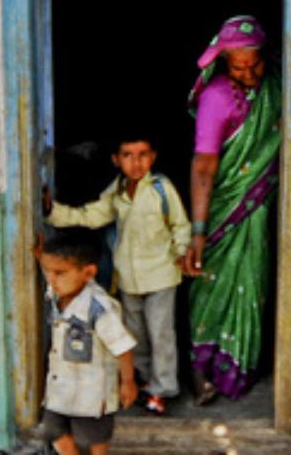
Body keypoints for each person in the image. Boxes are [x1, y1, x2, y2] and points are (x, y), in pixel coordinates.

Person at [45, 136, 191, 415]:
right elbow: (91, 216)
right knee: (136, 333)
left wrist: (181, 252)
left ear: (153, 157)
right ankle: (145, 379)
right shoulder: (118, 191)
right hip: (129, 277)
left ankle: (163, 389)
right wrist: (53, 212)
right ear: (116, 160)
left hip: (161, 273)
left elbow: (179, 225)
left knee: (161, 332)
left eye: (143, 155)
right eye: (128, 155)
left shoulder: (161, 188)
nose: (136, 163)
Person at [182, 15, 283, 404]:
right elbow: (204, 165)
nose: (249, 73)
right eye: (238, 66)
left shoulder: (276, 82)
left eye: (254, 63)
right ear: (224, 62)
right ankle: (199, 368)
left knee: (251, 282)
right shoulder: (217, 98)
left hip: (257, 207)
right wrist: (199, 230)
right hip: (225, 207)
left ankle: (239, 366)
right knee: (209, 286)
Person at [31, 229, 137, 455]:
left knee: (94, 439)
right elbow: (54, 270)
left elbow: (122, 347)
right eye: (47, 271)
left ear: (88, 272)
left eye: (59, 272)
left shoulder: (100, 309)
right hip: (61, 389)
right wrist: (43, 258)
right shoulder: (58, 292)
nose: (51, 279)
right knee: (53, 430)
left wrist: (127, 381)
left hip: (92, 393)